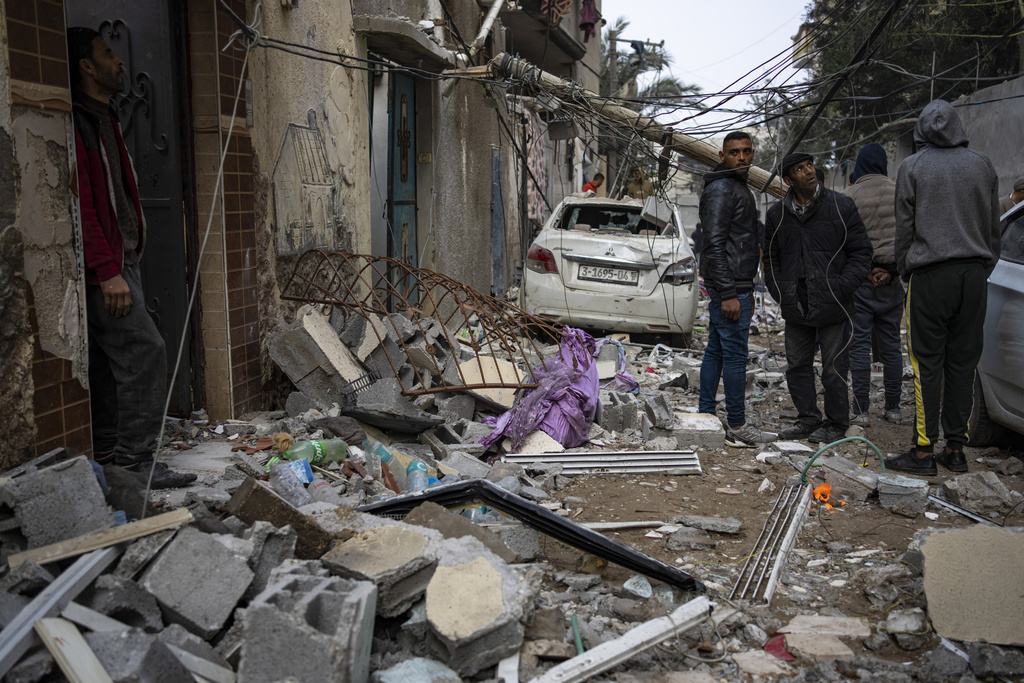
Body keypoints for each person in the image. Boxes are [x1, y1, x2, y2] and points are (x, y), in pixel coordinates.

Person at [68, 27, 196, 489]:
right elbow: (79, 199)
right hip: (109, 268)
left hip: (125, 259)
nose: (119, 61)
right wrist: (106, 270)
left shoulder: (105, 116)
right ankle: (137, 464)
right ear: (86, 65)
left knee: (110, 362)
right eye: (107, 54)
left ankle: (108, 455)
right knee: (146, 351)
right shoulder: (78, 121)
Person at [886, 99, 1001, 476]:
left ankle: (922, 451)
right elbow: (992, 225)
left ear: (920, 130)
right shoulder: (982, 164)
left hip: (931, 276)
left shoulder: (913, 166)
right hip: (973, 275)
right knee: (963, 363)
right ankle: (955, 449)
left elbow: (905, 227)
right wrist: (984, 265)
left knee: (926, 363)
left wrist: (905, 269)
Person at [764, 153, 872, 443]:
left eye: (809, 165)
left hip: (833, 303)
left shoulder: (841, 205)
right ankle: (808, 419)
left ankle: (837, 424)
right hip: (796, 302)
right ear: (788, 180)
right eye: (800, 169)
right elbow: (771, 260)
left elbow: (861, 253)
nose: (809, 172)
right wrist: (782, 293)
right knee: (797, 365)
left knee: (834, 366)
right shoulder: (777, 214)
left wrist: (841, 286)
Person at [697, 132, 764, 447]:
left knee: (718, 350)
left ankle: (706, 415)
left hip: (732, 283)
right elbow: (713, 243)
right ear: (722, 156)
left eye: (747, 151)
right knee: (735, 355)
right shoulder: (723, 188)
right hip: (731, 286)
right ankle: (736, 424)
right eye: (735, 152)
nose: (742, 157)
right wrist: (727, 293)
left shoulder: (734, 186)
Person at [842, 143, 904, 426]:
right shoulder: (900, 192)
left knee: (858, 346)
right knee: (891, 346)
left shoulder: (848, 196)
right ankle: (893, 408)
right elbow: (910, 236)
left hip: (860, 284)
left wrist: (866, 272)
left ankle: (861, 410)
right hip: (892, 282)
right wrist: (890, 272)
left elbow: (841, 244)